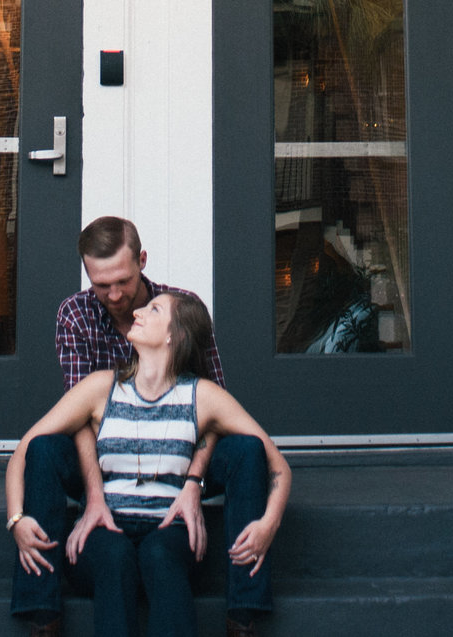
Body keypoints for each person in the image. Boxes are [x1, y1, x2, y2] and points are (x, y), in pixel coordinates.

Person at [6, 286, 288, 637]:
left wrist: (268, 525)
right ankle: (42, 617)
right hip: (104, 530)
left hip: (170, 530)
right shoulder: (100, 387)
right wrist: (16, 519)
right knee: (113, 552)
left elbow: (277, 464)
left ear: (174, 335)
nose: (137, 312)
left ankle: (243, 617)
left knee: (161, 551)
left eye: (153, 310)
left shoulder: (202, 395)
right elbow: (24, 450)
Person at [43, 218, 278, 623]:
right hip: (103, 460)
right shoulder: (76, 315)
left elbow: (211, 412)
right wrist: (94, 496)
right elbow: (79, 418)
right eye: (101, 286)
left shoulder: (179, 309)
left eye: (124, 281)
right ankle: (41, 614)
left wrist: (193, 482)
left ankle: (245, 614)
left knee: (246, 448)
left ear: (143, 261)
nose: (115, 296)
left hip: (181, 458)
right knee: (44, 449)